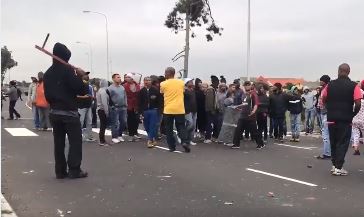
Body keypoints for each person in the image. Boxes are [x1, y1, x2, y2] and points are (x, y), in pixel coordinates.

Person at [43, 42, 88, 179]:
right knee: (75, 142)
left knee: (59, 143)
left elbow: (47, 96)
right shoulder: (68, 70)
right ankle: (74, 170)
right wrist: (82, 77)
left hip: (54, 112)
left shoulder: (47, 73)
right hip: (69, 112)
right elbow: (80, 89)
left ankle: (60, 171)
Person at [322, 63, 362, 176]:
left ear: (338, 71)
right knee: (343, 143)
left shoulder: (329, 85)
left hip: (331, 118)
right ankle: (339, 167)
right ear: (349, 72)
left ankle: (334, 165)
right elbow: (358, 103)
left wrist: (328, 107)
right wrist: (353, 113)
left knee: (333, 142)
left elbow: (323, 98)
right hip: (345, 119)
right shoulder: (354, 86)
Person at [160, 67, 190, 153]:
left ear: (168, 73)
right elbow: (184, 91)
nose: (164, 74)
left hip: (168, 109)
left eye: (165, 73)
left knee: (168, 128)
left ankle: (172, 146)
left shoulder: (163, 84)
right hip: (179, 109)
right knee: (181, 126)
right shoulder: (181, 82)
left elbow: (162, 92)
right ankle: (184, 142)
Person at [231, 81, 264, 149]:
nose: (247, 86)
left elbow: (256, 104)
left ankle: (260, 143)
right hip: (242, 115)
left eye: (248, 85)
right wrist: (237, 107)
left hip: (250, 116)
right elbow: (242, 103)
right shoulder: (243, 94)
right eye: (245, 85)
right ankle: (236, 144)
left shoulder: (253, 94)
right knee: (238, 130)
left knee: (254, 131)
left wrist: (253, 111)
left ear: (250, 86)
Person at [139, 77, 162, 148]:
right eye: (145, 80)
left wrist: (160, 110)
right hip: (145, 111)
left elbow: (160, 101)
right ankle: (153, 137)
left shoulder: (155, 90)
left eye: (148, 80)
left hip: (154, 110)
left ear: (151, 81)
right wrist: (140, 112)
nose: (147, 82)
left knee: (153, 125)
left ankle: (149, 140)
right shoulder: (141, 91)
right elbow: (139, 102)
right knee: (146, 126)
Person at [108, 73, 128, 144]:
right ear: (113, 79)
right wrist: (111, 106)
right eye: (118, 77)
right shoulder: (110, 88)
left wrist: (126, 104)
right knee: (115, 123)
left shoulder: (122, 87)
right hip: (115, 108)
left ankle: (119, 135)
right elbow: (108, 98)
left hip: (123, 107)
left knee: (124, 122)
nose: (119, 78)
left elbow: (125, 96)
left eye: (120, 77)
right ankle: (114, 137)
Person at [77, 73, 96, 142]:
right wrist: (83, 97)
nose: (87, 76)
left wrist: (91, 97)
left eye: (87, 75)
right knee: (80, 122)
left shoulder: (90, 86)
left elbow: (93, 96)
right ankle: (77, 136)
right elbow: (75, 95)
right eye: (85, 75)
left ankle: (89, 136)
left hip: (88, 106)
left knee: (89, 122)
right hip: (81, 107)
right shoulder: (78, 86)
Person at [316, 75, 331, 159]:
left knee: (326, 134)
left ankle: (327, 153)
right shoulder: (325, 88)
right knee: (326, 133)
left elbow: (324, 98)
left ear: (324, 81)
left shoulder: (327, 89)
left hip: (326, 113)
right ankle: (327, 152)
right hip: (324, 112)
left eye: (321, 80)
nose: (320, 82)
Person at [204, 76, 223, 143]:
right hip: (210, 110)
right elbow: (209, 102)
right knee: (209, 124)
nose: (218, 84)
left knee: (215, 124)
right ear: (214, 82)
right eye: (217, 82)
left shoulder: (214, 89)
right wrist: (212, 110)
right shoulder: (210, 90)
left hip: (213, 110)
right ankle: (207, 138)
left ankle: (213, 137)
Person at [123, 73, 141, 141]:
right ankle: (130, 135)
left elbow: (139, 95)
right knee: (130, 120)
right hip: (128, 105)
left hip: (136, 105)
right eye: (126, 77)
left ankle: (134, 133)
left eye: (128, 77)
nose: (126, 78)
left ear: (132, 78)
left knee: (136, 120)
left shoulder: (137, 85)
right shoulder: (124, 86)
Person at [351, 81, 364, 155]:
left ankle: (356, 149)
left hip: (354, 119)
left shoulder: (354, 102)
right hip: (363, 120)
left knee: (356, 134)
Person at [96, 79, 110, 146]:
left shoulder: (100, 90)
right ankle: (102, 141)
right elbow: (104, 103)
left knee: (103, 125)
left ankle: (102, 140)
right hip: (102, 110)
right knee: (103, 126)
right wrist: (107, 112)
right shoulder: (104, 91)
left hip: (100, 109)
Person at [184, 78, 198, 146]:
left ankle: (189, 140)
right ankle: (183, 136)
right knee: (190, 124)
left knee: (193, 126)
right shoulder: (184, 91)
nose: (192, 82)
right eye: (190, 81)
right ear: (186, 83)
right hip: (187, 110)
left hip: (194, 110)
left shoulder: (192, 90)